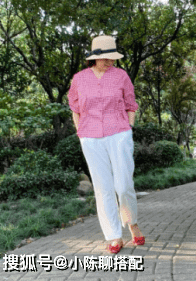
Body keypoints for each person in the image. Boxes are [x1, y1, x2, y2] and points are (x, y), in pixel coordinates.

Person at [67, 35, 144, 254]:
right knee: (103, 188)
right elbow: (75, 108)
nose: (110, 61)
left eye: (113, 57)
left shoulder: (121, 76)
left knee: (123, 185)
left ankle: (132, 222)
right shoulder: (79, 79)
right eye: (106, 58)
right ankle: (114, 236)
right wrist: (80, 132)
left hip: (119, 133)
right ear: (94, 58)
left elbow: (131, 105)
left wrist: (129, 129)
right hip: (90, 137)